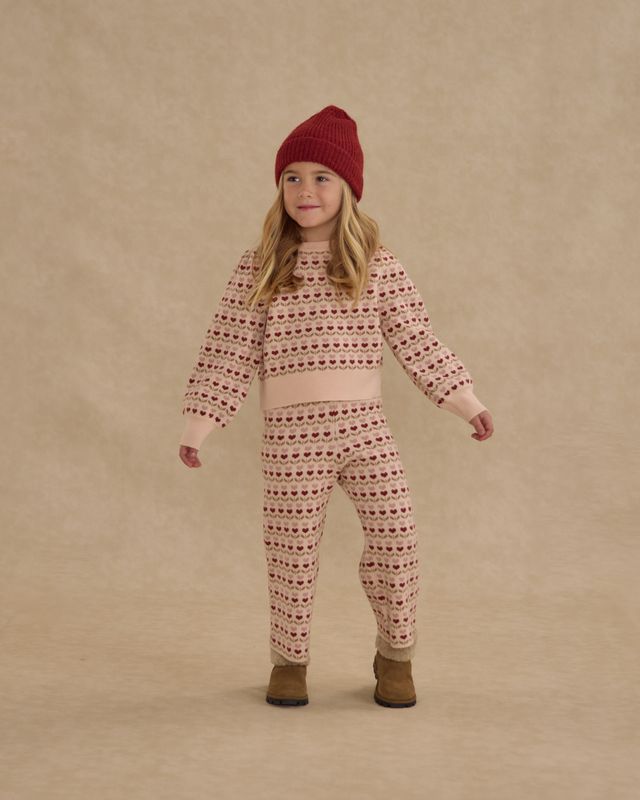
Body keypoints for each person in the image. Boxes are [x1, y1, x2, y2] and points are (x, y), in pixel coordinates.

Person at [178, 105, 494, 708]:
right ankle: (289, 661)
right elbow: (228, 349)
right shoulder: (260, 265)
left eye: (322, 177)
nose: (306, 190)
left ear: (348, 187)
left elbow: (417, 339)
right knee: (291, 549)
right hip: (291, 438)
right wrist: (200, 422)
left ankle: (395, 655)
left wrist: (463, 400)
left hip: (365, 429)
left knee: (397, 535)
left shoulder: (377, 265)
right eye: (292, 177)